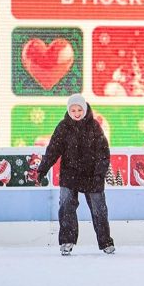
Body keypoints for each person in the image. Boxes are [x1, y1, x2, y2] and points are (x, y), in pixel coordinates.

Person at [37, 94, 115, 256]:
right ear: (68, 111)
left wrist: (99, 174)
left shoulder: (94, 126)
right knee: (66, 207)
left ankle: (106, 242)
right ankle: (67, 241)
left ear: (85, 110)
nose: (77, 112)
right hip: (69, 174)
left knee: (99, 209)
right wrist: (42, 169)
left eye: (79, 109)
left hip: (91, 174)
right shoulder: (63, 127)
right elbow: (53, 150)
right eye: (73, 110)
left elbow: (103, 153)